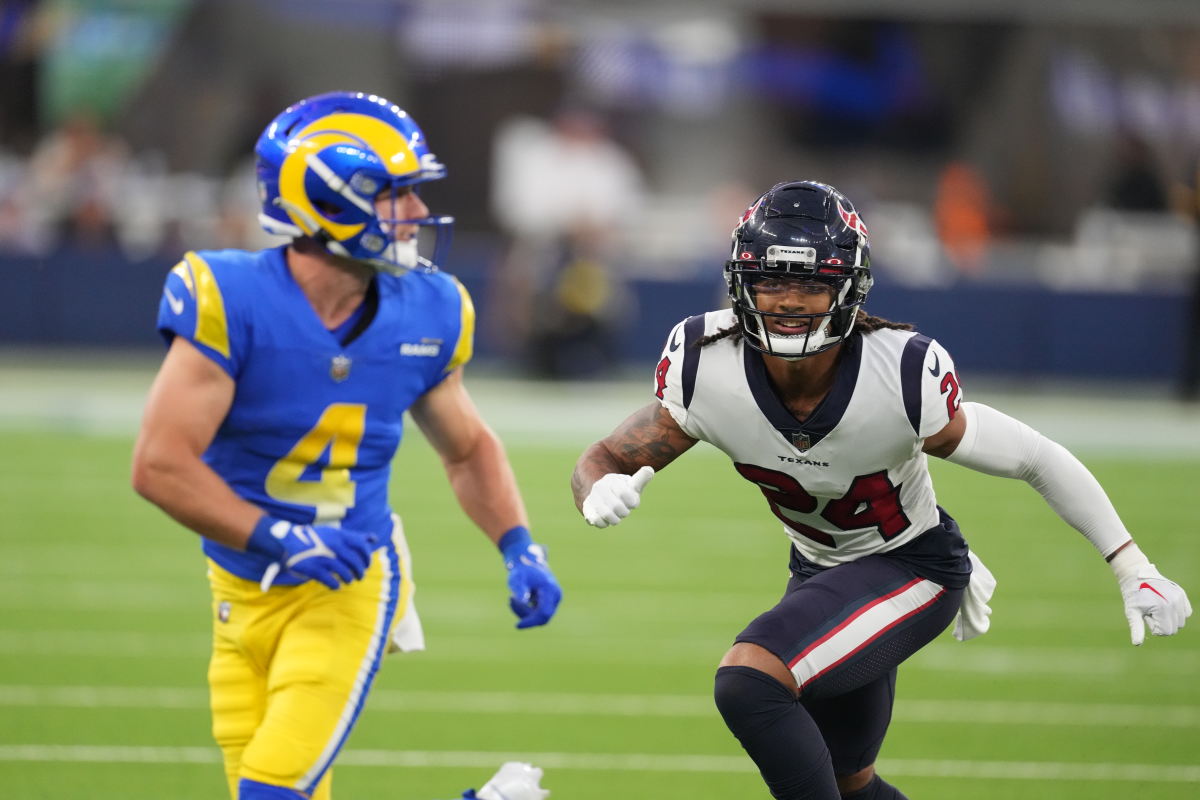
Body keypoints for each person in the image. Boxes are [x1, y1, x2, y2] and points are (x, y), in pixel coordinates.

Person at [570, 180, 1191, 800]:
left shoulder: (900, 371)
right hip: (821, 569)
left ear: (848, 289)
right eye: (770, 281)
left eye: (811, 284)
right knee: (852, 783)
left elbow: (1033, 456)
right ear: (740, 283)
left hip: (910, 566)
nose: (788, 301)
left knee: (750, 681)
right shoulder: (707, 363)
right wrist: (596, 488)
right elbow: (604, 456)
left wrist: (1129, 562)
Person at [131, 91, 561, 800]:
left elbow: (466, 448)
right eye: (396, 194)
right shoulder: (228, 296)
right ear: (325, 198)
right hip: (238, 590)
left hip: (345, 582)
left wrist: (519, 544)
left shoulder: (429, 308)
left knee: (270, 791)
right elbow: (160, 463)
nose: (418, 214)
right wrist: (274, 536)